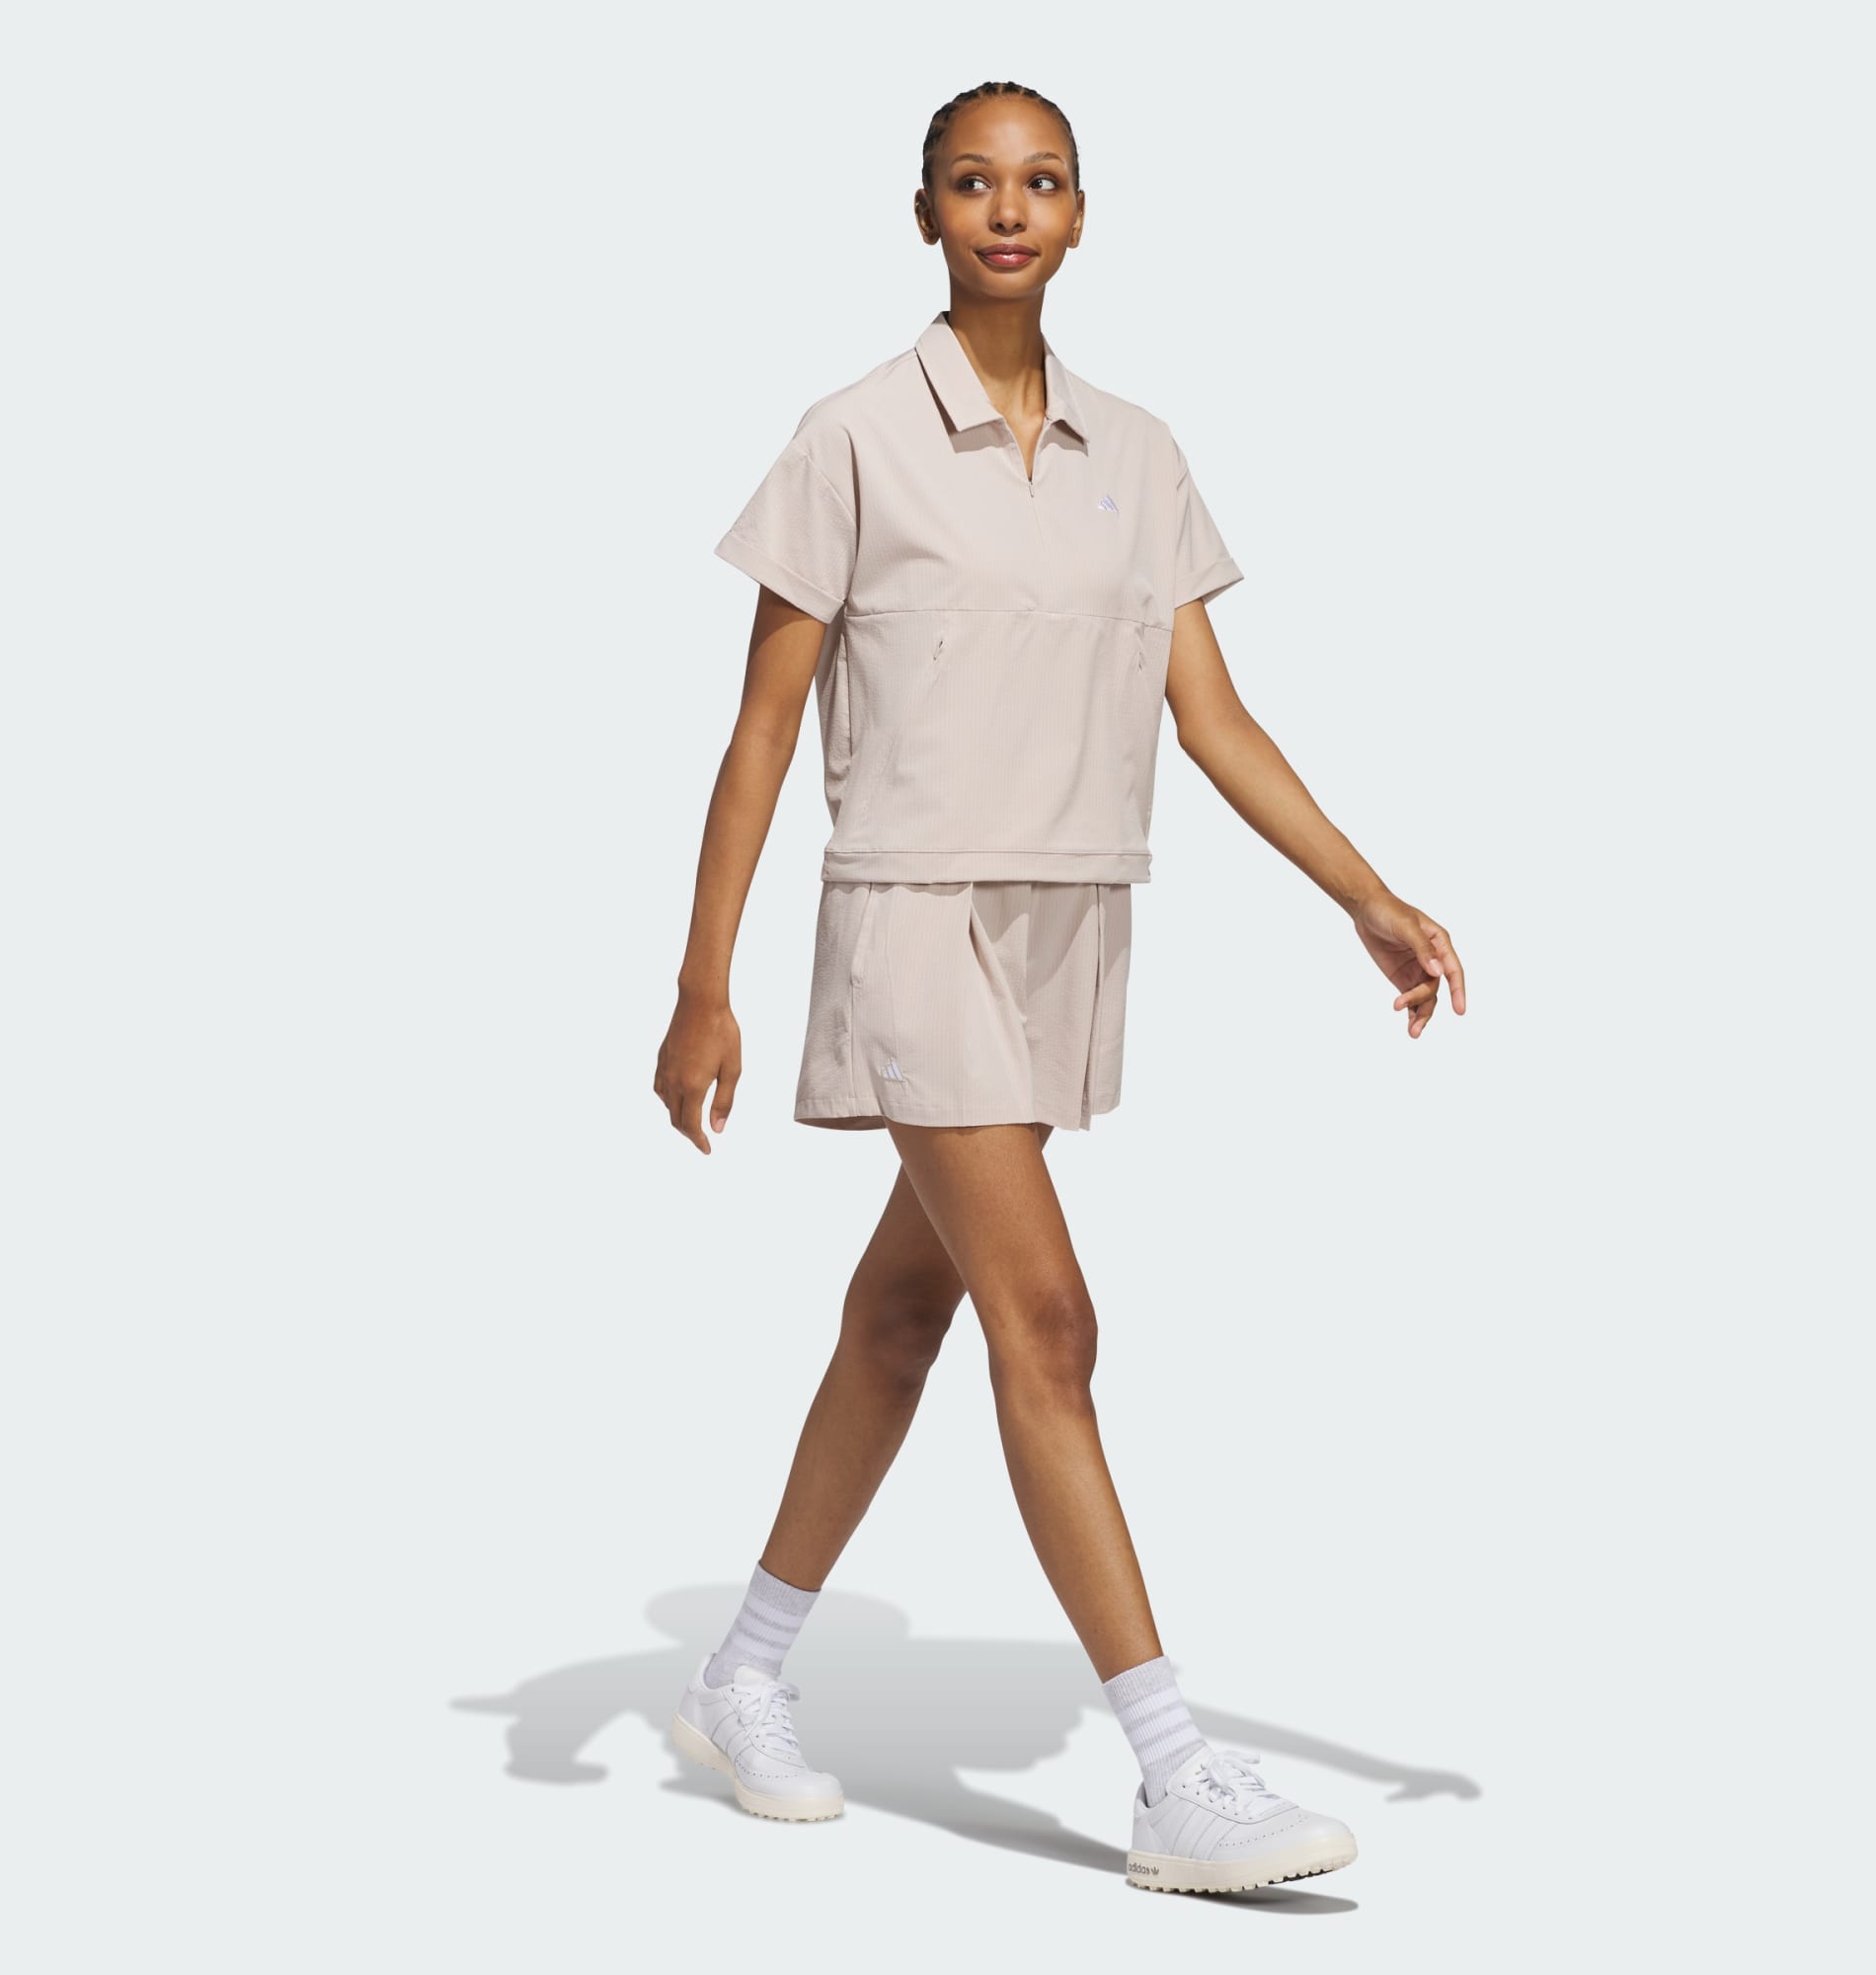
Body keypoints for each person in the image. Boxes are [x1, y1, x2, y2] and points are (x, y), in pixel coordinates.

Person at [654, 79, 1466, 1896]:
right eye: (972, 182)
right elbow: (763, 727)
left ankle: (743, 1671)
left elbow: (1213, 716)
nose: (1006, 210)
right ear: (925, 214)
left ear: (1083, 215)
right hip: (913, 921)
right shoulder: (852, 436)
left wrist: (1366, 893)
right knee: (1053, 1324)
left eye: (1040, 183)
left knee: (901, 1318)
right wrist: (704, 982)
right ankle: (1175, 1777)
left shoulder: (1142, 454)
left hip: (1069, 924)